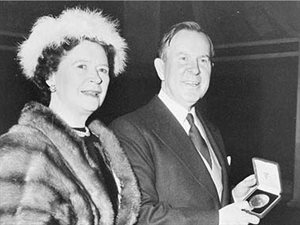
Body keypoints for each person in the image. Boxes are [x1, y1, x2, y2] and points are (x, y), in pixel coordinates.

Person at [110, 21, 260, 225]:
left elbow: (204, 199)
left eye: (203, 60)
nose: (195, 70)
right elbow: (140, 215)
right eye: (183, 59)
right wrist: (219, 218)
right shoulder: (130, 130)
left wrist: (231, 200)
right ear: (161, 68)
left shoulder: (211, 131)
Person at [0, 8, 140, 225]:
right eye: (82, 66)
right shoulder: (23, 148)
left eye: (103, 70)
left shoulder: (103, 148)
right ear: (50, 76)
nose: (96, 78)